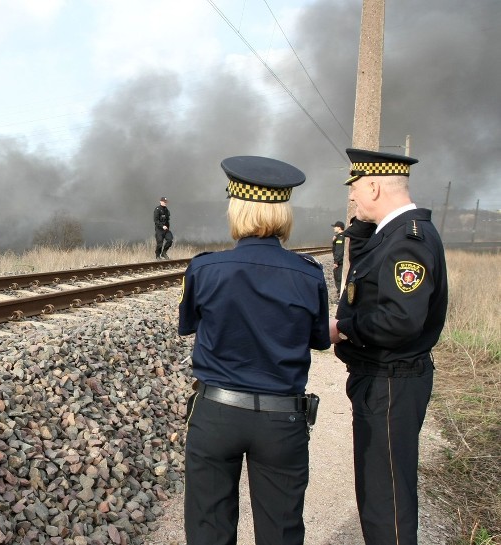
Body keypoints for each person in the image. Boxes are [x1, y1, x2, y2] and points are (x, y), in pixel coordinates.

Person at [180, 156, 331, 545]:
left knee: (208, 529)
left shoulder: (204, 269)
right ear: (284, 211)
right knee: (281, 531)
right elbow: (318, 339)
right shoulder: (309, 275)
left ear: (237, 207)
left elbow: (189, 325)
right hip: (283, 421)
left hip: (216, 415)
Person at [329, 148, 448, 545]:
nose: (354, 200)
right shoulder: (394, 235)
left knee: (387, 498)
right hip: (383, 379)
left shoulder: (407, 242)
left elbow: (400, 319)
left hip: (391, 382)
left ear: (375, 186)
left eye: (356, 192)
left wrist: (342, 328)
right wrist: (361, 230)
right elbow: (368, 284)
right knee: (378, 489)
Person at [331, 220, 345, 289]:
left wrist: (336, 261)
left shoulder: (341, 237)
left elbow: (339, 250)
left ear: (339, 228)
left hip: (340, 262)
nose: (334, 228)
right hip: (341, 261)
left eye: (335, 227)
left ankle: (340, 294)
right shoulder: (340, 236)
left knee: (338, 278)